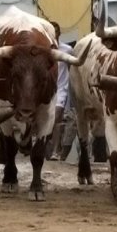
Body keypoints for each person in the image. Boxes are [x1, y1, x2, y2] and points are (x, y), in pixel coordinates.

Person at [46, 22, 73, 161]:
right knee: (46, 120)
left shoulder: (67, 50)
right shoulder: (44, 49)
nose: (53, 34)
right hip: (47, 88)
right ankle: (47, 147)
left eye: (55, 31)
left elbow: (72, 68)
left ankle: (56, 150)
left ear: (59, 33)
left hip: (61, 88)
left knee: (56, 118)